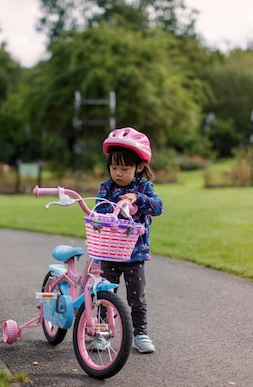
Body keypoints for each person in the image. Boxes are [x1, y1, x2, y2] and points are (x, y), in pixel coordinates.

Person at [92, 127, 164, 354]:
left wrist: (137, 198)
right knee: (104, 294)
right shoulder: (106, 187)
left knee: (136, 298)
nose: (118, 173)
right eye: (114, 168)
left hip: (135, 254)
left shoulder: (143, 187)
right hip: (109, 252)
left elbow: (158, 207)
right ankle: (103, 334)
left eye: (124, 168)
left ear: (139, 167)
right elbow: (99, 209)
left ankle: (140, 334)